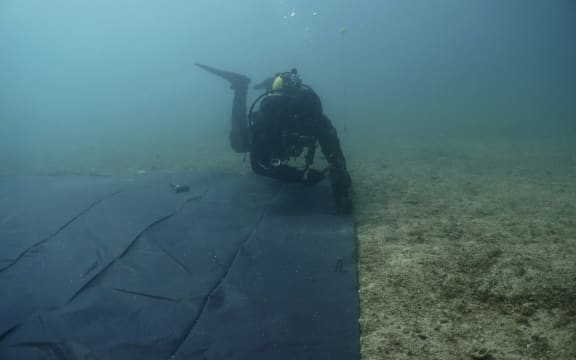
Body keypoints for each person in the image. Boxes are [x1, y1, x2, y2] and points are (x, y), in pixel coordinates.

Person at [196, 63, 353, 214]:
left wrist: (340, 174)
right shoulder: (268, 119)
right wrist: (300, 176)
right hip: (271, 136)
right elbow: (259, 164)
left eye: (310, 117)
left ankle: (264, 83)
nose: (306, 123)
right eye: (302, 118)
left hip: (281, 136)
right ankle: (240, 87)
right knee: (240, 144)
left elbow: (333, 151)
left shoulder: (316, 118)